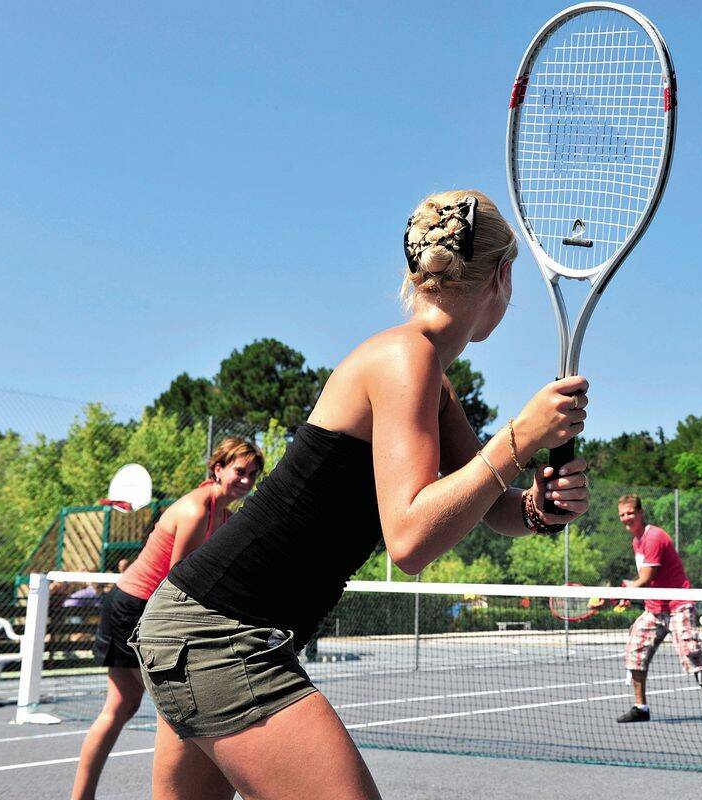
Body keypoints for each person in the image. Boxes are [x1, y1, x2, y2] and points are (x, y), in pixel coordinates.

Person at [131, 190, 591, 800]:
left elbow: (482, 503)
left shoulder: (429, 376)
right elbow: (410, 539)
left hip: (198, 621)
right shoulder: (406, 358)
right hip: (222, 632)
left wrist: (538, 510)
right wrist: (520, 435)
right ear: (503, 277)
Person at [70, 439, 263, 800]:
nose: (246, 480)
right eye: (240, 471)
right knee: (172, 709)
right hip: (133, 607)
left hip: (146, 608)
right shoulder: (195, 512)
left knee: (126, 707)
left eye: (253, 474)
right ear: (217, 469)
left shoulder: (225, 516)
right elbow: (177, 584)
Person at [592, 493, 702, 728]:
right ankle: (640, 707)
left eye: (630, 513)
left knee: (691, 655)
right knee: (635, 651)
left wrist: (614, 595)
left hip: (679, 605)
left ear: (641, 514)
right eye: (622, 515)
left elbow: (645, 579)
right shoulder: (637, 541)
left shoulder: (654, 537)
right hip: (655, 607)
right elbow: (648, 584)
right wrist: (624, 597)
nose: (626, 518)